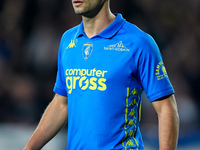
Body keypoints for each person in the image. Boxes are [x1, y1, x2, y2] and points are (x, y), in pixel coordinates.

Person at [24, 0, 179, 150]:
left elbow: (166, 108)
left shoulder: (138, 43)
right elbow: (61, 103)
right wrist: (30, 147)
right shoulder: (68, 40)